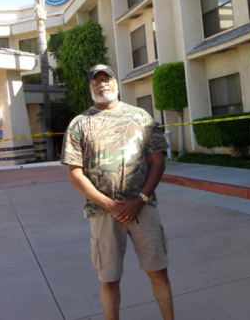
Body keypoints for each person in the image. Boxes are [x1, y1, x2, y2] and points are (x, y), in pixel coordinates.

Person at [61, 64, 174, 320]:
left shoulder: (141, 117)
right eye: (96, 81)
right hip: (103, 214)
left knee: (159, 271)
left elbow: (158, 162)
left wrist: (140, 199)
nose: (102, 84)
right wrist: (111, 205)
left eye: (107, 79)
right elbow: (74, 174)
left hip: (143, 209)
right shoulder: (79, 124)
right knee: (109, 279)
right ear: (90, 87)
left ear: (116, 83)